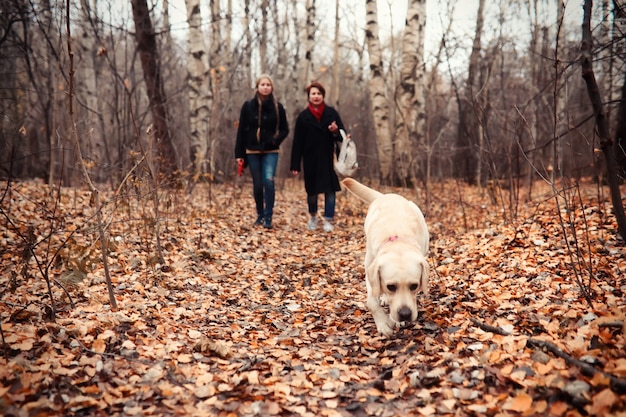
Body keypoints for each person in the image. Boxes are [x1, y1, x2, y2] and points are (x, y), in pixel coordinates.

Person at [290, 81, 349, 232]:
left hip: (328, 158)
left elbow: (343, 137)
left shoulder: (331, 113)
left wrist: (335, 131)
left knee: (330, 191)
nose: (316, 97)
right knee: (312, 192)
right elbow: (297, 142)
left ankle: (328, 220)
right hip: (310, 160)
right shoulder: (303, 117)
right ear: (309, 97)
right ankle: (313, 217)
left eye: (318, 94)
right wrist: (295, 164)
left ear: (323, 96)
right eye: (313, 94)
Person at [235, 74, 289, 229]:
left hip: (271, 150)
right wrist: (239, 154)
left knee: (269, 180)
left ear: (272, 88)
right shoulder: (248, 106)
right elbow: (241, 131)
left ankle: (268, 216)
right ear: (257, 87)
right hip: (252, 150)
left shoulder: (278, 107)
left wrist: (275, 140)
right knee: (258, 184)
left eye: (268, 85)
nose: (265, 87)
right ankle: (259, 214)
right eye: (262, 84)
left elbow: (285, 129)